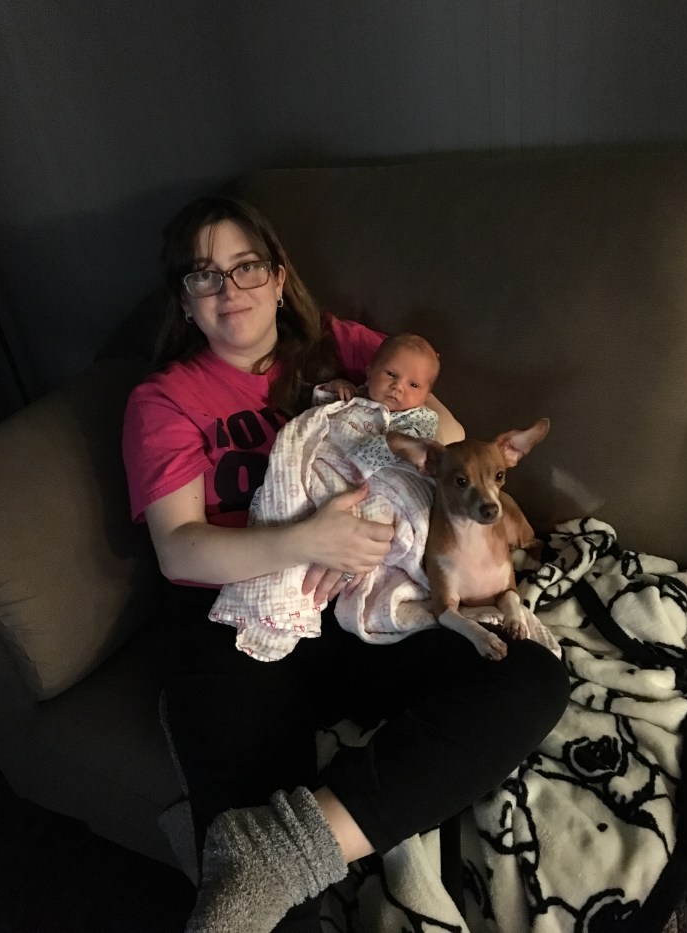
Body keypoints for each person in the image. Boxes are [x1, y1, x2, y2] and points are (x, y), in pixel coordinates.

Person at [122, 194, 570, 933]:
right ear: (185, 298)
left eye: (246, 267)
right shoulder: (164, 400)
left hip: (364, 604)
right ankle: (286, 852)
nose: (230, 290)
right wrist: (306, 541)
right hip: (239, 623)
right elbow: (179, 549)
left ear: (278, 276)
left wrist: (386, 505)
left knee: (531, 676)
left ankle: (282, 852)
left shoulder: (339, 345)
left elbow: (445, 438)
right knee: (268, 920)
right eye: (204, 275)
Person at [209, 332, 444, 662]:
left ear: (427, 395)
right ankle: (275, 600)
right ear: (369, 371)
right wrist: (333, 390)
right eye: (391, 374)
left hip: (379, 492)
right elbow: (320, 422)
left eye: (413, 385)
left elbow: (406, 461)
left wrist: (394, 445)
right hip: (329, 480)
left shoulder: (420, 419)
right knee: (291, 508)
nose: (398, 387)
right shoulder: (354, 398)